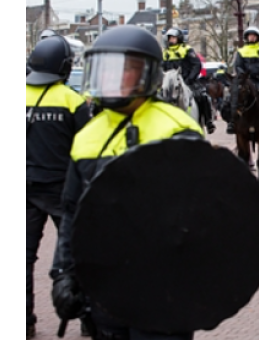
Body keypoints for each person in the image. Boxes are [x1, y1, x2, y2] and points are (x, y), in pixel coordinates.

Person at [51, 25, 205, 340]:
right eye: (106, 71)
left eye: (126, 71)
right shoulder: (88, 135)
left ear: (148, 74)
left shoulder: (178, 129)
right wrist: (63, 275)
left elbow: (205, 215)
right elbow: (71, 212)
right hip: (105, 287)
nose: (113, 80)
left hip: (163, 290)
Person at [26, 35, 91, 338]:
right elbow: (89, 145)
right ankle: (89, 319)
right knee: (79, 252)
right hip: (61, 190)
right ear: (65, 66)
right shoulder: (72, 100)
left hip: (24, 187)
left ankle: (24, 320)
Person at [162, 27, 216, 134]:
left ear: (179, 38)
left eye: (173, 38)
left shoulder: (187, 49)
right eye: (170, 38)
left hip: (187, 81)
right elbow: (162, 67)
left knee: (203, 95)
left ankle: (208, 121)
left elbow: (196, 65)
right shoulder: (165, 53)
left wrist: (189, 79)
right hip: (170, 84)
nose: (171, 40)